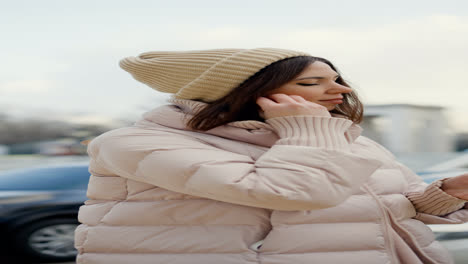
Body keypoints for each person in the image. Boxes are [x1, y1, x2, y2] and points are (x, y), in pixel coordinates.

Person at [75, 48, 468, 264]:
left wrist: (448, 192)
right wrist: (307, 130)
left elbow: (384, 206)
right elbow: (295, 193)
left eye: (337, 79)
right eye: (312, 82)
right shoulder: (133, 144)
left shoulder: (342, 138)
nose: (342, 91)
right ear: (242, 92)